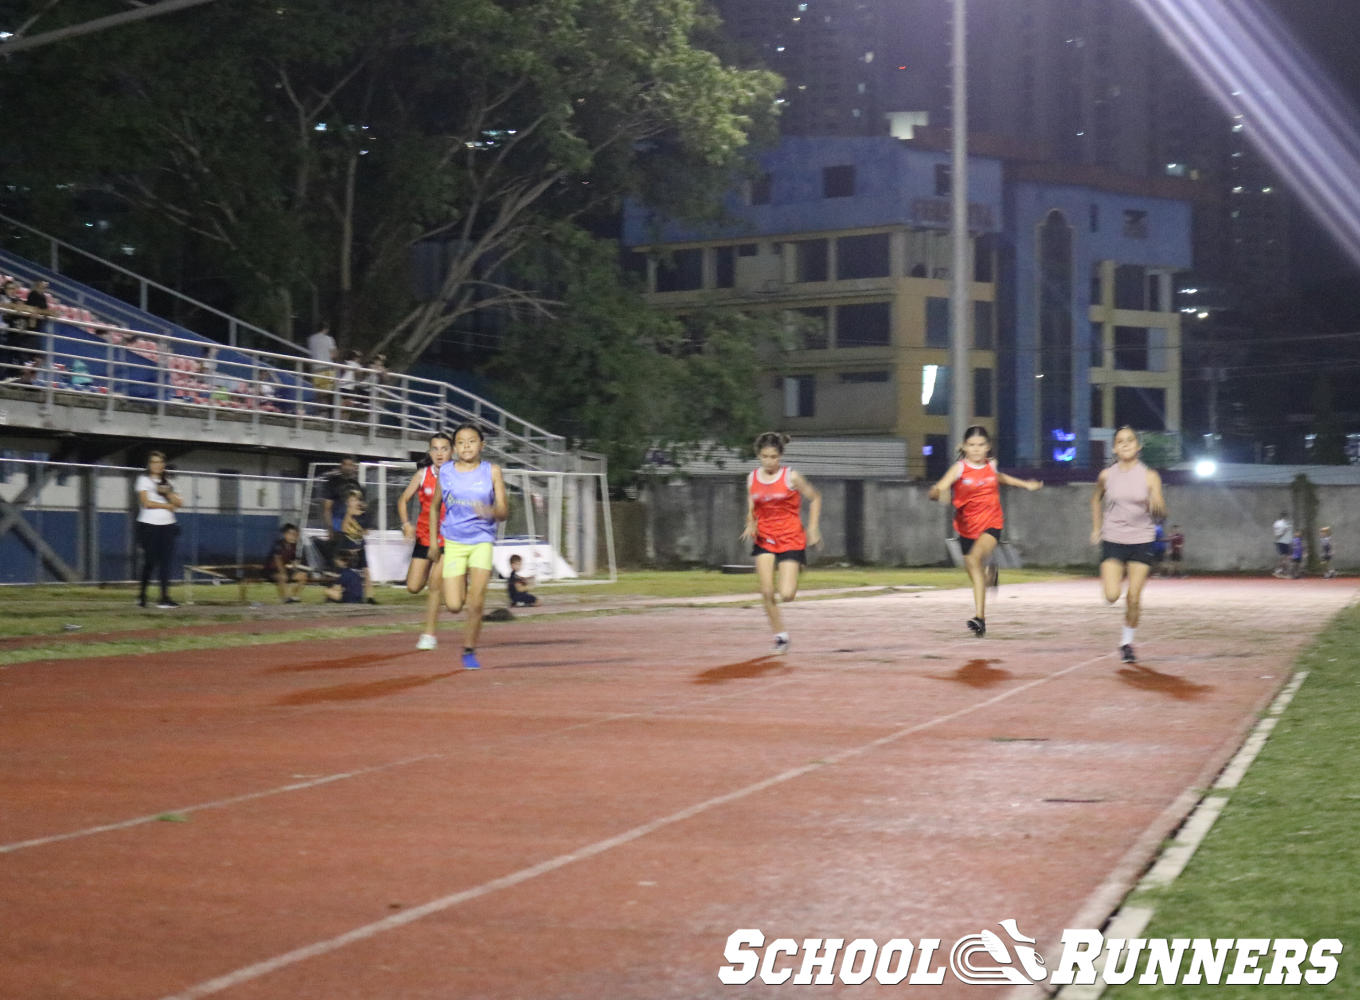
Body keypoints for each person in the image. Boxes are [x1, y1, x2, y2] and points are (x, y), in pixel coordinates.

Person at [928, 425, 1042, 637]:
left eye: (981, 445)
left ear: (988, 447)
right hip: (965, 528)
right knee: (975, 572)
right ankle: (990, 577)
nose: (976, 449)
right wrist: (936, 493)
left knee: (973, 560)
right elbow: (938, 488)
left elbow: (1000, 478)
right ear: (964, 446)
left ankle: (980, 618)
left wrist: (1025, 485)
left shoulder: (992, 465)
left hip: (992, 524)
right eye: (972, 445)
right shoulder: (959, 469)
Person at [428, 423, 509, 669]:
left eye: (471, 441)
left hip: (481, 540)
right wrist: (433, 541)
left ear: (481, 445)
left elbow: (504, 511)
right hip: (454, 542)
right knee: (453, 605)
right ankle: (459, 578)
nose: (466, 446)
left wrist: (491, 511)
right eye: (461, 442)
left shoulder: (492, 471)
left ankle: (469, 649)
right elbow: (434, 507)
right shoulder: (446, 471)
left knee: (476, 601)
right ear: (454, 448)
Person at [740, 432, 822, 655]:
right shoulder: (752, 478)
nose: (769, 462)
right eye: (765, 457)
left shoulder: (791, 477)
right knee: (766, 591)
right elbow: (752, 501)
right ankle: (780, 637)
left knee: (786, 594)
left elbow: (815, 497)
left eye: (774, 457)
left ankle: (798, 568)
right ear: (759, 456)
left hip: (790, 537)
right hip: (765, 537)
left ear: (780, 456)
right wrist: (750, 521)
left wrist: (813, 528)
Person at [1090, 425, 1166, 664]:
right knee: (1112, 595)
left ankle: (1126, 643)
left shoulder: (1149, 476)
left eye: (1130, 440)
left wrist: (1156, 504)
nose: (1125, 444)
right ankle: (1111, 591)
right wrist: (1096, 528)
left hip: (1142, 539)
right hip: (1113, 539)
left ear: (1138, 446)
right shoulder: (1106, 475)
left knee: (1133, 597)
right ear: (1114, 447)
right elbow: (1095, 500)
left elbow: (1162, 511)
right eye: (1120, 441)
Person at [399, 431, 452, 650]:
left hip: (447, 537)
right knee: (413, 587)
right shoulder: (422, 474)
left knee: (435, 583)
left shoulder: (458, 475)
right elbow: (403, 500)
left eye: (444, 449)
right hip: (424, 536)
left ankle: (428, 635)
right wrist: (406, 524)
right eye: (435, 449)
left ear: (452, 451)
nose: (439, 454)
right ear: (430, 452)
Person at [135, 450, 183, 609]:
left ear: (163, 465)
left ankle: (164, 597)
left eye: (160, 462)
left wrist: (168, 494)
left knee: (166, 562)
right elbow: (146, 503)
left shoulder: (168, 482)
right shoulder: (143, 480)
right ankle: (142, 595)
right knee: (150, 561)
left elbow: (179, 503)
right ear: (149, 464)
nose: (157, 465)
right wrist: (167, 505)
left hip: (168, 525)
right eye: (154, 462)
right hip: (149, 524)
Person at [333, 488, 375, 603]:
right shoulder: (344, 513)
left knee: (366, 571)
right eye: (352, 500)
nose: (355, 502)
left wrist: (358, 529)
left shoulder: (364, 515)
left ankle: (370, 597)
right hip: (347, 547)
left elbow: (367, 531)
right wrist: (349, 514)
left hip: (360, 547)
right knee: (345, 573)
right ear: (347, 502)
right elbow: (344, 529)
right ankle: (336, 595)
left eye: (356, 500)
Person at [322, 456, 364, 542]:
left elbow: (360, 507)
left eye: (350, 464)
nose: (347, 467)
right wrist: (330, 529)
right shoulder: (332, 482)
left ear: (354, 467)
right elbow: (327, 508)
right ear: (341, 466)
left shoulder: (356, 484)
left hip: (353, 527)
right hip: (337, 527)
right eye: (345, 464)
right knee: (338, 553)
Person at [264, 523, 308, 603]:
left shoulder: (294, 546)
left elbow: (293, 560)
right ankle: (285, 598)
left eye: (295, 534)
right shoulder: (278, 544)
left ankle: (295, 596)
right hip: (271, 570)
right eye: (291, 534)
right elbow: (278, 560)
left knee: (303, 576)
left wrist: (296, 566)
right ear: (285, 534)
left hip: (285, 570)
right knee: (282, 577)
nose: (294, 536)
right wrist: (283, 572)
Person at [1271, 511, 1292, 578]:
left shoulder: (1277, 523)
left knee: (1283, 558)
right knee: (1285, 558)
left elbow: (1276, 533)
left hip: (1281, 542)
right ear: (1285, 517)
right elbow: (1279, 534)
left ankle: (1280, 571)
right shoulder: (1283, 524)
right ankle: (1282, 572)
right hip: (1283, 542)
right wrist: (1285, 531)